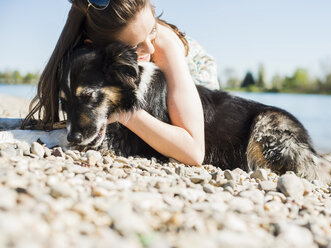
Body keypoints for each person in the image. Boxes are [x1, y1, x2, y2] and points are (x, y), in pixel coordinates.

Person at [24, 0, 219, 166]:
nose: (149, 48)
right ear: (97, 47)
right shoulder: (85, 52)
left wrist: (126, 115)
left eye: (151, 29)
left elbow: (194, 152)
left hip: (196, 78)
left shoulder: (162, 45)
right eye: (134, 46)